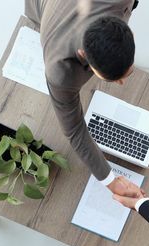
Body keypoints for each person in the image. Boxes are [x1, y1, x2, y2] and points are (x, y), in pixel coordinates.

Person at [24, 0, 142, 197]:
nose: (122, 80)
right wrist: (111, 182)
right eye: (117, 78)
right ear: (83, 56)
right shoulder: (60, 72)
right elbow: (74, 130)